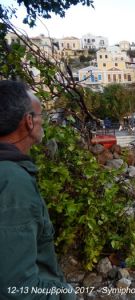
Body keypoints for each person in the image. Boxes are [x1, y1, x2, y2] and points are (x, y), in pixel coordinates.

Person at [0, 81, 75, 299]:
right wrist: (64, 294)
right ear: (29, 121)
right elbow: (17, 290)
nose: (44, 123)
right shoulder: (12, 182)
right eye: (41, 116)